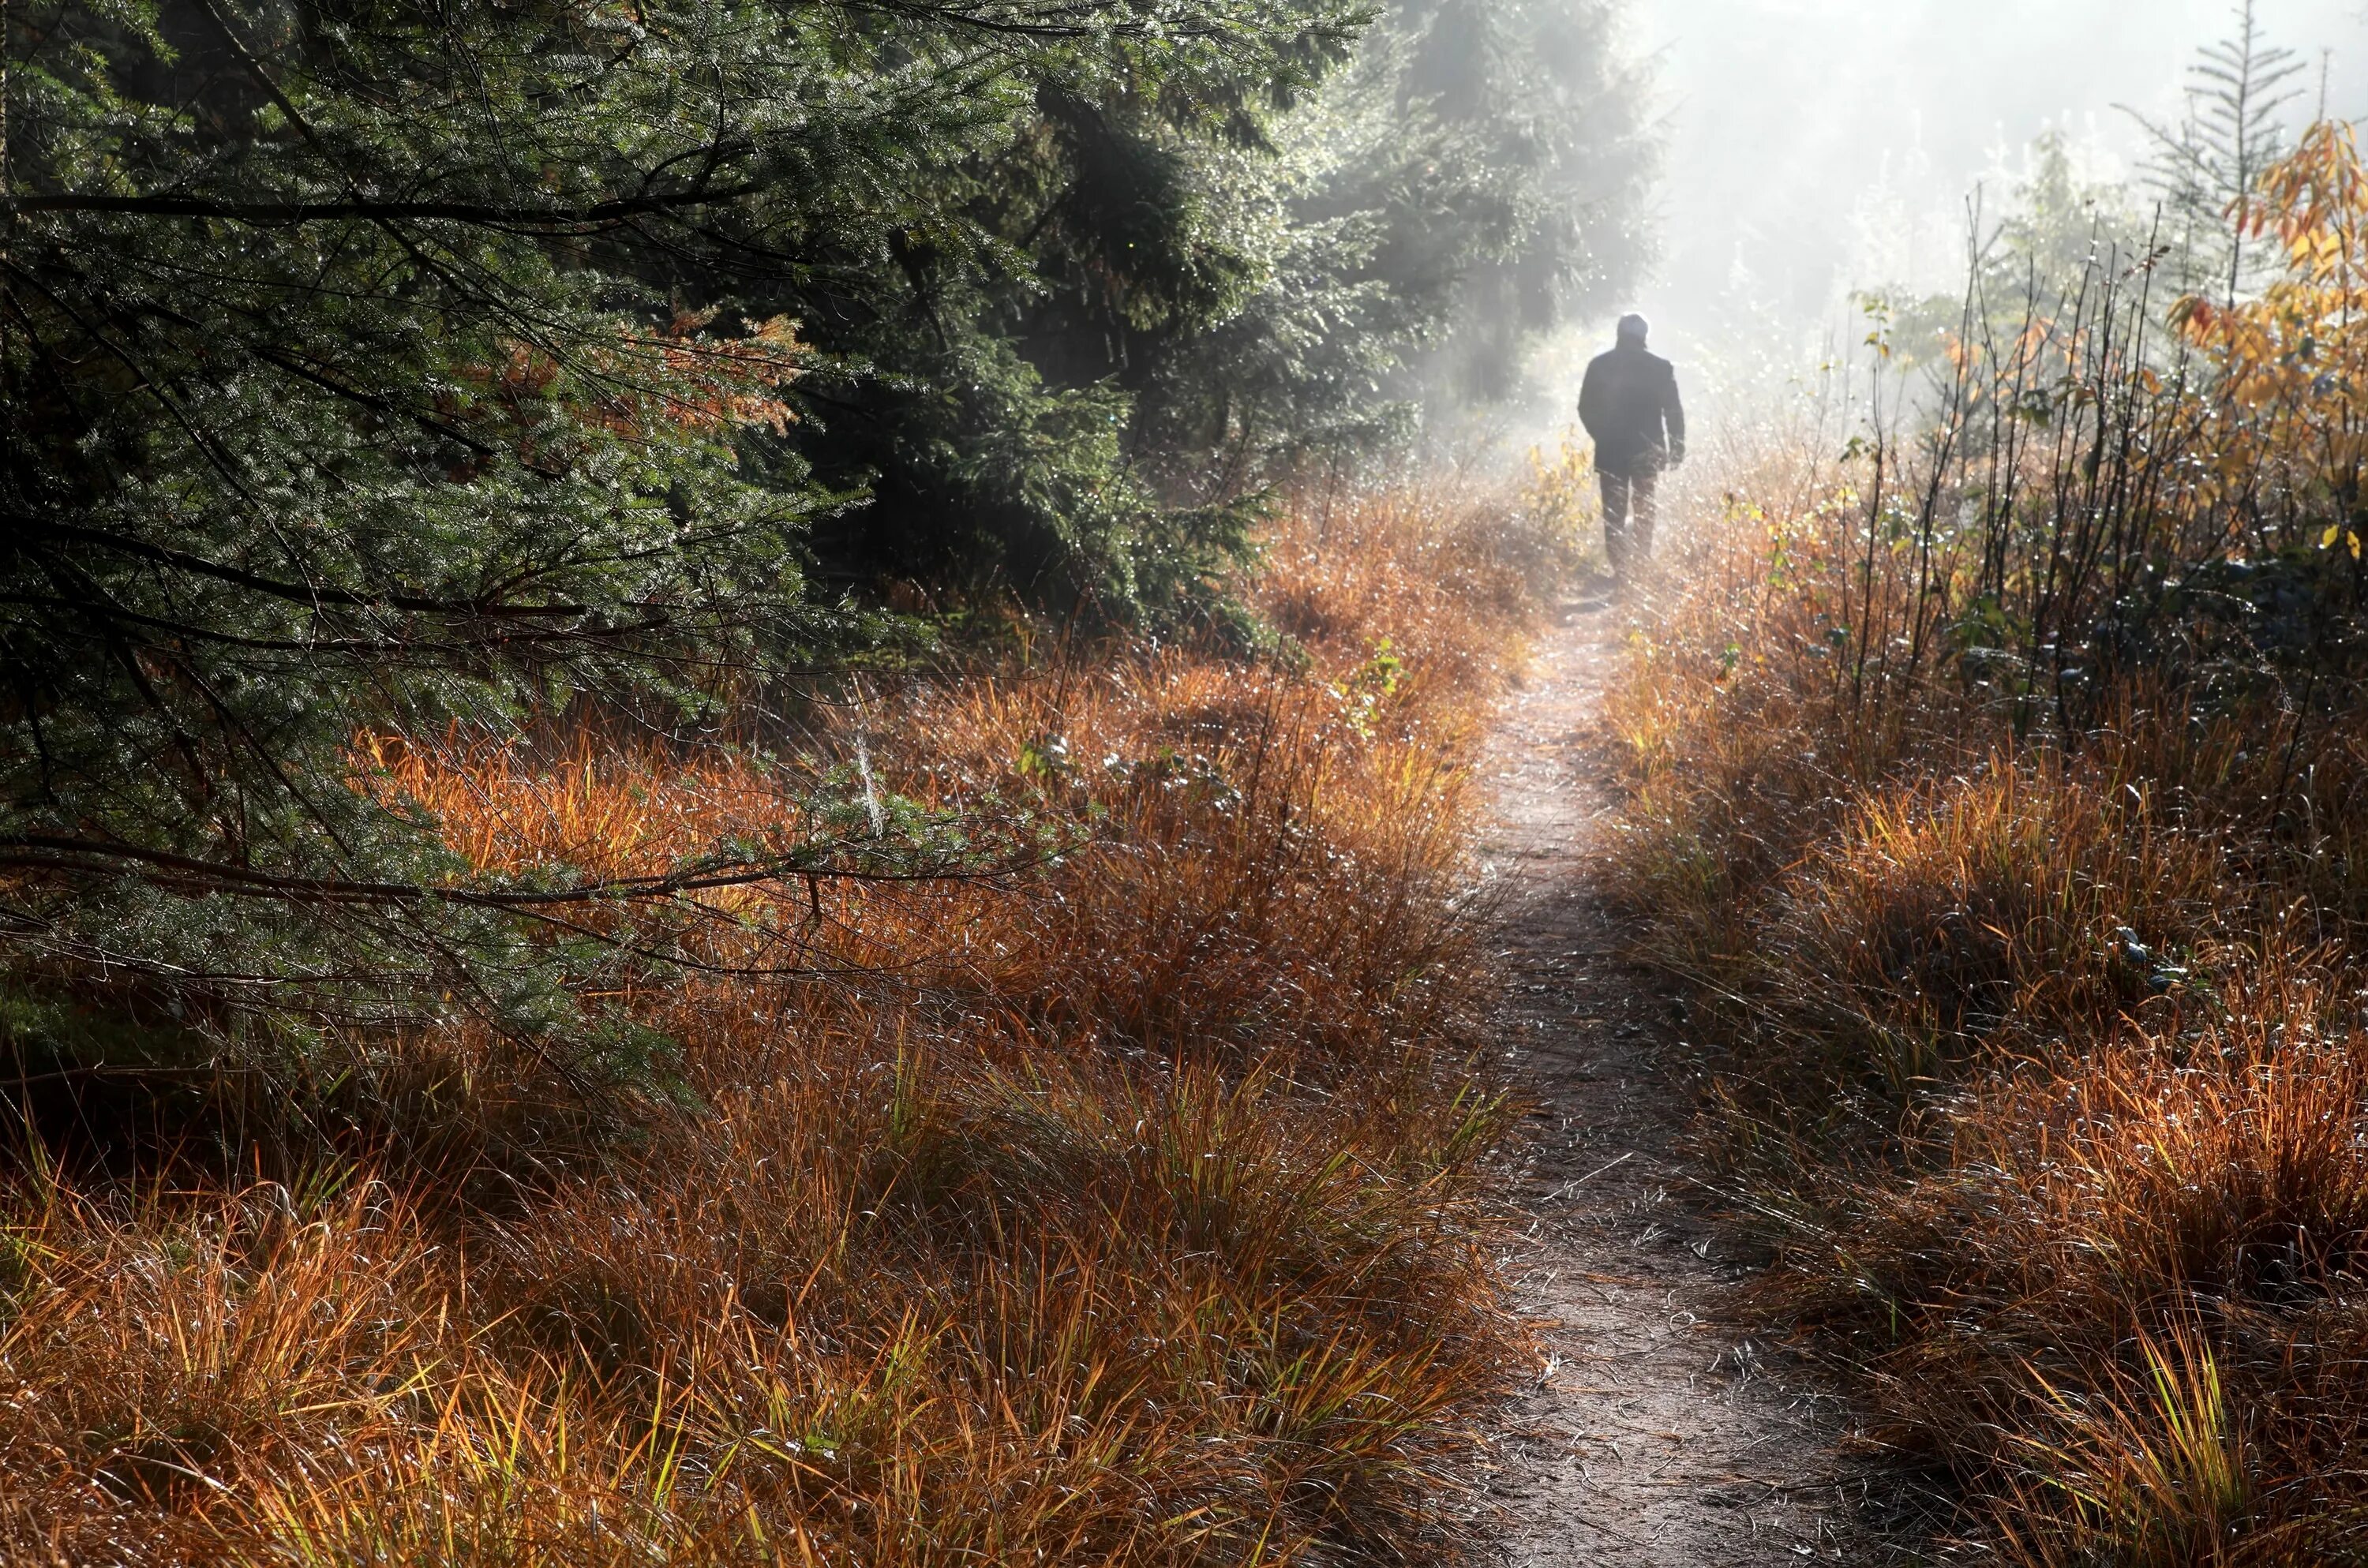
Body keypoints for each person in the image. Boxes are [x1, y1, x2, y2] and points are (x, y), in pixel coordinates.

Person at [1578, 312, 1686, 580]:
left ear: (1618, 334)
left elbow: (1585, 408)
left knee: (1614, 511)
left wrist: (1601, 435)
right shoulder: (1660, 368)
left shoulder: (1599, 366)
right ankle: (1640, 565)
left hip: (1611, 451)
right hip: (1647, 450)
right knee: (1645, 507)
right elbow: (1673, 411)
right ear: (1644, 337)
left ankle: (1620, 568)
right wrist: (1676, 449)